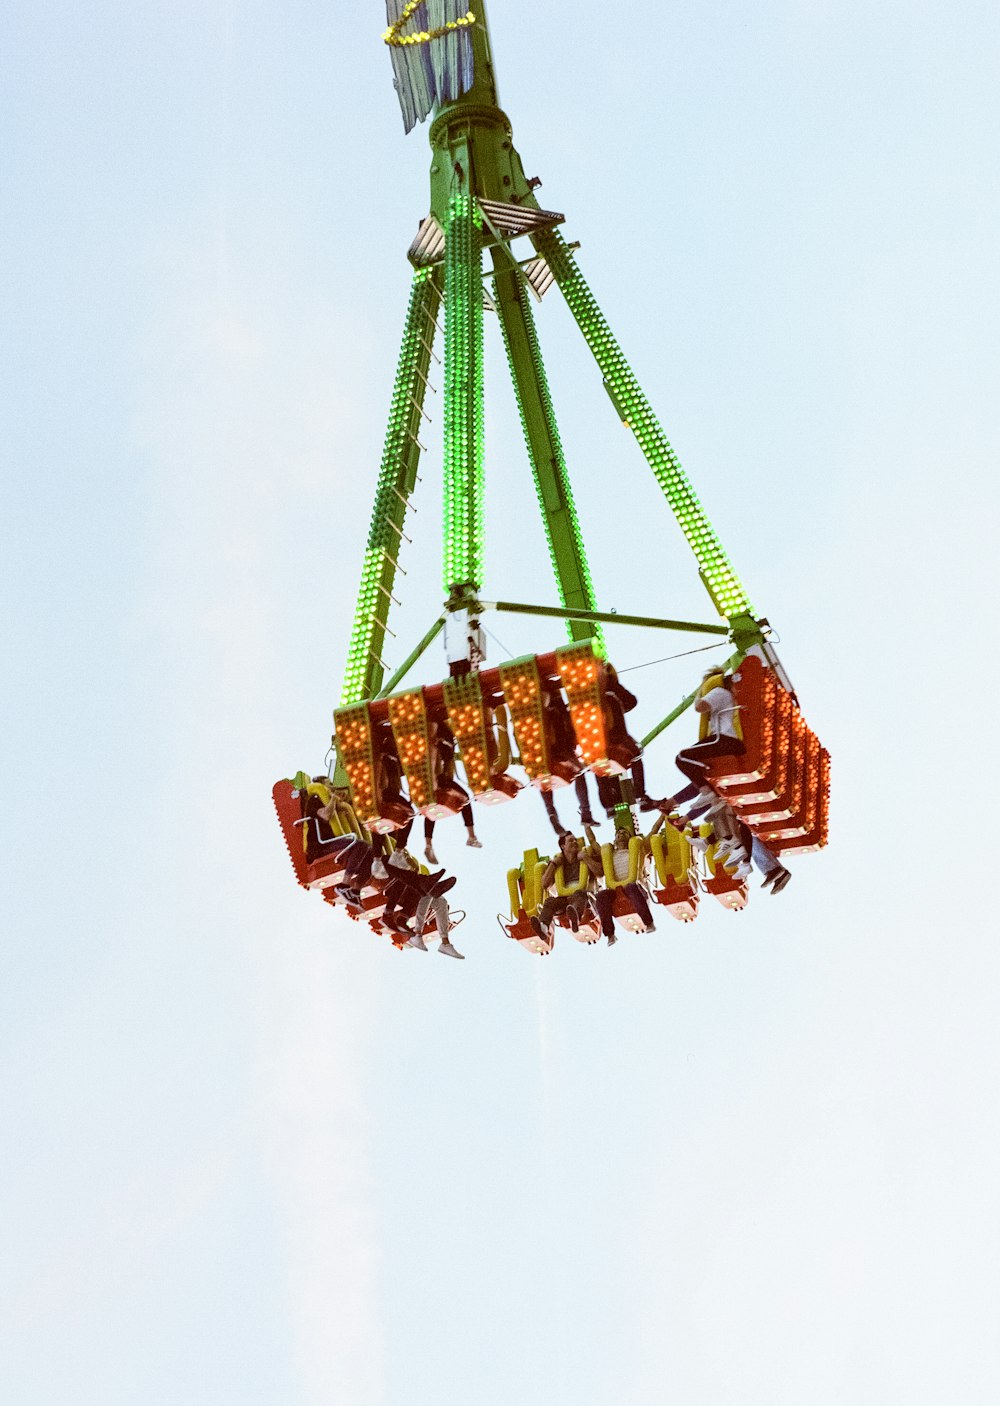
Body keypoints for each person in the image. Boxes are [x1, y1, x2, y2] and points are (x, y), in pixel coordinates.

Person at [665, 667, 746, 816]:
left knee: (682, 758)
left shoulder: (720, 692)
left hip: (724, 739)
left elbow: (700, 707)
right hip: (732, 742)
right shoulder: (730, 696)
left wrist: (698, 695)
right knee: (703, 769)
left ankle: (707, 792)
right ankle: (711, 795)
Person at [589, 823, 656, 945]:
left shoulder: (639, 849)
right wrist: (587, 826)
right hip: (615, 890)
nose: (621, 834)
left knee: (631, 887)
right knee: (601, 895)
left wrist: (663, 815)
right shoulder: (609, 854)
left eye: (624, 833)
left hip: (635, 888)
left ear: (630, 838)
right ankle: (610, 935)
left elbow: (653, 830)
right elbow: (593, 841)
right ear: (615, 839)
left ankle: (649, 923)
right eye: (618, 833)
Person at [530, 831, 602, 944]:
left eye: (575, 840)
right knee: (550, 901)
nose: (575, 842)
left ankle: (575, 918)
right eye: (571, 841)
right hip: (565, 900)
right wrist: (553, 864)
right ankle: (543, 927)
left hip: (584, 898)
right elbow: (544, 884)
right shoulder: (559, 862)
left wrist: (586, 858)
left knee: (579, 894)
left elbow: (600, 872)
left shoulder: (585, 855)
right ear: (563, 846)